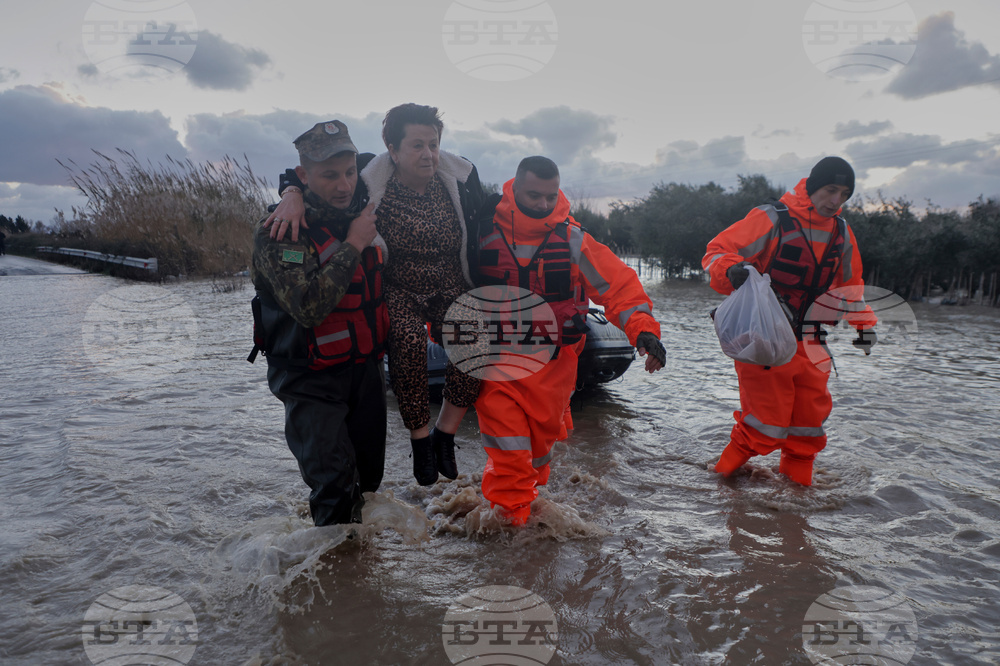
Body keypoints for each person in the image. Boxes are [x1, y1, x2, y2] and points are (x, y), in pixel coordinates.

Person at [266, 104, 487, 487]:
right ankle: (420, 442)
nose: (427, 154)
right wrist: (291, 193)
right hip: (398, 288)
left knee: (478, 334)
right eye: (416, 145)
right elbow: (309, 176)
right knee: (408, 338)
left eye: (433, 144)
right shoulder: (367, 178)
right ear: (392, 148)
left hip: (450, 283)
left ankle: (445, 435)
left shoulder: (462, 178)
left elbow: (493, 212)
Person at [471, 156, 667, 526]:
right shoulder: (480, 230)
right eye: (534, 195)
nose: (544, 204)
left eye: (550, 196)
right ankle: (514, 541)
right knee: (511, 455)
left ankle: (522, 506)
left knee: (539, 455)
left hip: (553, 368)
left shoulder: (573, 239)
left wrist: (643, 331)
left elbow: (620, 287)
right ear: (514, 187)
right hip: (496, 363)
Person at [702, 156, 878, 486]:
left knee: (807, 429)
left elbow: (850, 286)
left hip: (812, 341)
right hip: (765, 337)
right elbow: (717, 250)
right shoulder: (771, 218)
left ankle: (797, 502)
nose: (836, 201)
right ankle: (716, 483)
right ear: (813, 187)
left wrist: (864, 326)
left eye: (844, 194)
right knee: (762, 425)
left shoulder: (842, 231)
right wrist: (730, 271)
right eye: (830, 190)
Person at [250, 120, 389, 526]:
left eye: (349, 172)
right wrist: (354, 244)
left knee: (368, 482)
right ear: (304, 176)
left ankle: (360, 578)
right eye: (330, 175)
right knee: (333, 488)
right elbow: (309, 307)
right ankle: (334, 577)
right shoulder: (280, 232)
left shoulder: (361, 203)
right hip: (309, 379)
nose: (344, 185)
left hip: (362, 371)